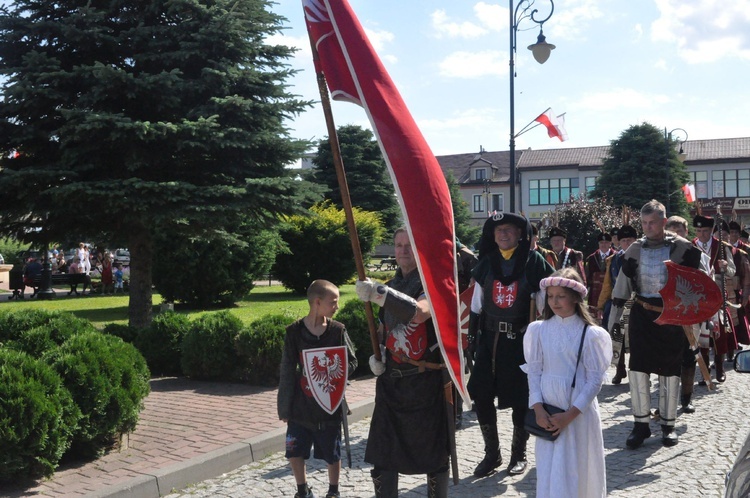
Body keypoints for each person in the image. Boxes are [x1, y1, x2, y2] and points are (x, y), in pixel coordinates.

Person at [355, 228, 451, 497]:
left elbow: (420, 314)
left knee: (434, 455)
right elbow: (387, 330)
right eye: (398, 245)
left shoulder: (430, 284)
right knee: (383, 454)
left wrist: (380, 294)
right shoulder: (394, 284)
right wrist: (379, 356)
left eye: (409, 245)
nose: (402, 250)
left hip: (425, 385)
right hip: (391, 385)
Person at [467, 212, 554, 477]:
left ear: (520, 234)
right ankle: (491, 454)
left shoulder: (534, 261)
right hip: (490, 341)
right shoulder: (487, 263)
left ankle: (519, 454)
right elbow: (476, 306)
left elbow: (547, 301)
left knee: (521, 398)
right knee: (481, 395)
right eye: (498, 231)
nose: (503, 234)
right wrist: (472, 340)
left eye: (509, 230)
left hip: (521, 341)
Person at [610, 200, 702, 448]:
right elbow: (622, 288)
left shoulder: (685, 250)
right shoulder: (634, 251)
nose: (648, 227)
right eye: (644, 223)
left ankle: (668, 425)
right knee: (638, 368)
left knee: (670, 369)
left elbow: (701, 286)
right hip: (641, 315)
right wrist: (614, 325)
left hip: (671, 318)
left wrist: (697, 324)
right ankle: (640, 426)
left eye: (652, 222)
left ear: (663, 222)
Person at [523, 268, 612, 498]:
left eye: (560, 296)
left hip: (577, 411)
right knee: (550, 468)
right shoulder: (538, 330)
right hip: (549, 408)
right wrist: (538, 408)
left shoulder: (591, 334)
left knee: (576, 468)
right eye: (550, 296)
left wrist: (570, 415)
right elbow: (534, 372)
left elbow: (594, 380)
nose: (554, 301)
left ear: (575, 297)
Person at [277, 279, 357, 498]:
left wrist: (337, 376)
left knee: (332, 451)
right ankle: (302, 490)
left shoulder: (338, 330)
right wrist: (284, 407)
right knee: (294, 450)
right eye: (333, 302)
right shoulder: (294, 332)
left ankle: (333, 491)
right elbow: (286, 370)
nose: (337, 307)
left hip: (329, 402)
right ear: (317, 302)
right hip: (300, 404)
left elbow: (351, 361)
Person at [665, 215, 708, 412]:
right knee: (667, 357)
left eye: (679, 231)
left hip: (688, 312)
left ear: (686, 232)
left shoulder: (694, 254)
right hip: (665, 311)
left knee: (689, 355)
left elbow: (706, 279)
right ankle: (668, 398)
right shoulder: (659, 252)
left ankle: (686, 398)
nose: (676, 235)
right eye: (672, 231)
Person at [692, 215, 736, 383]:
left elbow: (732, 271)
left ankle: (719, 366)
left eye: (705, 231)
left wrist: (725, 267)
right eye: (698, 231)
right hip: (698, 298)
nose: (701, 234)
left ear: (712, 231)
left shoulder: (722, 247)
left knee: (720, 333)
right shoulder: (692, 247)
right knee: (701, 335)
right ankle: (704, 371)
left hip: (717, 296)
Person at [598, 224, 638, 384]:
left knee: (636, 338)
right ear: (618, 242)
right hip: (618, 303)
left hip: (637, 303)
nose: (626, 244)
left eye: (630, 240)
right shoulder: (613, 260)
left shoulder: (642, 256)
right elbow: (608, 284)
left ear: (635, 240)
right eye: (623, 240)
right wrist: (600, 305)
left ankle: (638, 371)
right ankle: (620, 368)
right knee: (616, 336)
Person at [585, 232, 615, 324]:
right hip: (595, 293)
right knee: (594, 320)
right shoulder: (591, 258)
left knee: (609, 318)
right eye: (601, 242)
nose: (603, 245)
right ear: (598, 244)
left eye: (606, 242)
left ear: (610, 243)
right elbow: (588, 276)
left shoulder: (616, 257)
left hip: (610, 292)